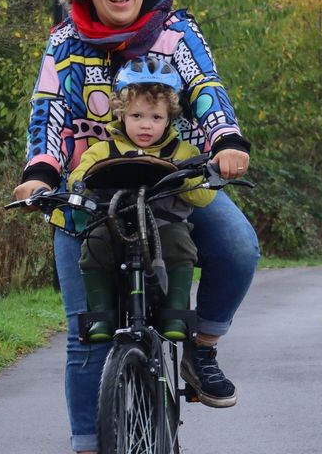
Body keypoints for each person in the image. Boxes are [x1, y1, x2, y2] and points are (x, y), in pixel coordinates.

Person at [12, 0, 258, 454]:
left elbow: (204, 86)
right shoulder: (65, 41)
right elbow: (50, 109)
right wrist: (42, 173)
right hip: (88, 192)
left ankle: (201, 350)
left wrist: (226, 140)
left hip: (173, 179)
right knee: (86, 338)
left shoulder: (175, 31)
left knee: (238, 247)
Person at [71, 56, 215, 342]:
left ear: (170, 119)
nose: (146, 125)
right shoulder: (104, 149)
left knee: (180, 242)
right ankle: (101, 316)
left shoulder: (182, 151)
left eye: (156, 117)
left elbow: (203, 197)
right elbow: (80, 175)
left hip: (164, 225)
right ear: (121, 115)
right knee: (94, 243)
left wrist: (187, 175)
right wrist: (78, 184)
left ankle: (175, 313)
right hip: (115, 224)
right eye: (137, 116)